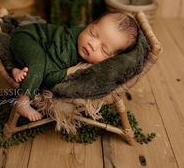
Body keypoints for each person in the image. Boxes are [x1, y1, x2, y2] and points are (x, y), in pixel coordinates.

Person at [9, 12, 139, 122]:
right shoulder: (65, 50)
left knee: (36, 61)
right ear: (89, 25)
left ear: (111, 59)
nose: (93, 44)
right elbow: (47, 77)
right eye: (92, 33)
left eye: (104, 49)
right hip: (27, 37)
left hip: (35, 49)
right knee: (38, 62)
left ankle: (17, 68)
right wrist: (68, 72)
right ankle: (23, 100)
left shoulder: (89, 52)